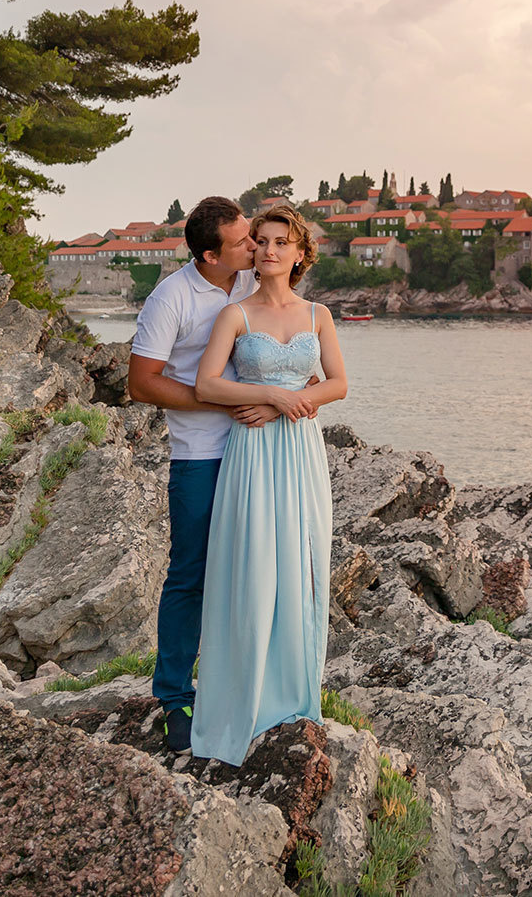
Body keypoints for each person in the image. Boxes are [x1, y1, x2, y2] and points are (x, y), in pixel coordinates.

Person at [188, 204, 348, 765]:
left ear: (300, 253)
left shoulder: (318, 315)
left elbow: (339, 385)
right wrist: (272, 396)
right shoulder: (236, 315)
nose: (270, 250)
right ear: (251, 249)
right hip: (252, 455)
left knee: (300, 564)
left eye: (282, 242)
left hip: (299, 449)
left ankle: (295, 693)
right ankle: (243, 697)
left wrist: (281, 406)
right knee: (252, 565)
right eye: (261, 241)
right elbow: (207, 386)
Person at [127, 196, 276, 752]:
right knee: (190, 574)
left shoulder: (250, 281)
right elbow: (141, 383)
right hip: (201, 454)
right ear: (210, 255)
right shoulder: (171, 298)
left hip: (261, 448)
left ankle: (243, 684)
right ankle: (173, 695)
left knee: (254, 568)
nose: (254, 247)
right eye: (243, 242)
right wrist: (219, 404)